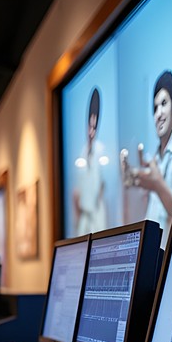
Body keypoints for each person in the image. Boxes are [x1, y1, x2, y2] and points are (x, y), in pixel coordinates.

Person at [123, 70, 172, 248]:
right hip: (152, 256)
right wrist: (135, 180)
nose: (158, 113)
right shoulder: (154, 157)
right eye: (155, 107)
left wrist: (156, 184)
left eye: (164, 104)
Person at [72, 87, 108, 236]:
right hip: (84, 217)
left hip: (96, 215)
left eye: (94, 126)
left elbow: (102, 184)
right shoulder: (82, 152)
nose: (91, 131)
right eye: (89, 126)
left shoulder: (101, 150)